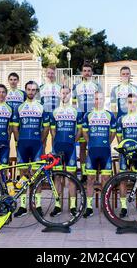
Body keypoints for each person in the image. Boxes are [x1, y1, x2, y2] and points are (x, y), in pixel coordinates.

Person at [12, 81, 50, 218]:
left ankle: (37, 205)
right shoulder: (19, 107)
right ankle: (22, 206)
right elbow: (15, 128)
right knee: (23, 174)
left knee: (37, 175)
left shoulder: (41, 107)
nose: (31, 92)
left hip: (36, 146)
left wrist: (41, 140)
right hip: (23, 145)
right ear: (25, 90)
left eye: (34, 90)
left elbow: (46, 127)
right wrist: (18, 140)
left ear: (37, 91)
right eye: (29, 89)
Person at [49, 86, 83, 217]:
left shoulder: (76, 111)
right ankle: (58, 206)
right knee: (57, 177)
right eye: (62, 93)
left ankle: (73, 206)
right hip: (58, 147)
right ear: (59, 95)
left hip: (71, 148)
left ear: (71, 95)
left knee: (71, 177)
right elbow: (53, 131)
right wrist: (57, 142)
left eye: (67, 93)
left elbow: (79, 130)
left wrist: (73, 141)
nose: (64, 95)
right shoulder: (55, 111)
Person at [82, 91, 117, 218]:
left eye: (101, 98)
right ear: (93, 100)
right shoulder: (88, 115)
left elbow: (113, 133)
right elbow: (85, 132)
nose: (98, 101)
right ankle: (89, 207)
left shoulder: (110, 115)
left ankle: (105, 206)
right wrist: (90, 143)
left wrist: (107, 142)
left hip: (105, 152)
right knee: (90, 180)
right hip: (92, 151)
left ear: (104, 100)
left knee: (105, 180)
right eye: (96, 99)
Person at [116, 94, 137, 217]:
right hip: (125, 154)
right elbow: (119, 138)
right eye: (130, 102)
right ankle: (124, 207)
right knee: (123, 180)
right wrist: (126, 150)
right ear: (126, 104)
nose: (132, 104)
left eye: (134, 102)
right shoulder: (121, 119)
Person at [72, 63, 102, 182]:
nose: (87, 73)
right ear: (81, 73)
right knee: (83, 148)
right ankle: (84, 173)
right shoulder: (76, 86)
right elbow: (74, 105)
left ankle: (96, 174)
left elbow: (100, 102)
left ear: (92, 73)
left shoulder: (97, 85)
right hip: (82, 118)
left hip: (94, 119)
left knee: (95, 147)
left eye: (89, 71)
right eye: (84, 70)